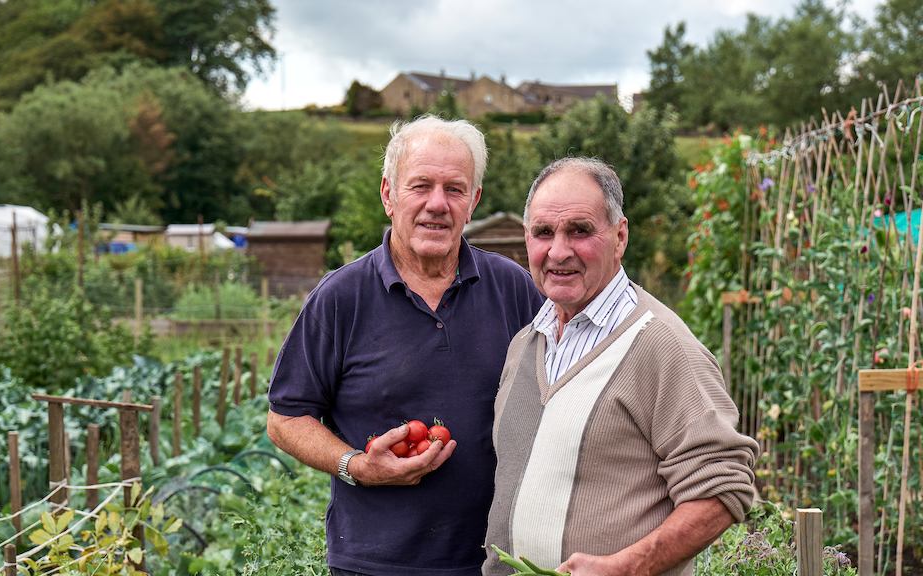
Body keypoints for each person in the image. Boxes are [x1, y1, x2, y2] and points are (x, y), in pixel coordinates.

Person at [267, 115, 544, 576]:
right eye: (420, 186)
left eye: (454, 189)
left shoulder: (512, 288)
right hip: (373, 562)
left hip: (497, 560)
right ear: (388, 195)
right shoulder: (341, 298)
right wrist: (355, 465)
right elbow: (285, 419)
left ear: (473, 202)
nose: (438, 204)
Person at [482, 157, 759, 576]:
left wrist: (628, 566)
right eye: (543, 233)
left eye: (580, 230)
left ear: (619, 236)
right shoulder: (525, 344)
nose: (559, 251)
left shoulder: (660, 345)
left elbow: (724, 487)